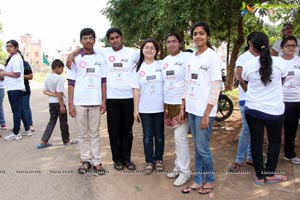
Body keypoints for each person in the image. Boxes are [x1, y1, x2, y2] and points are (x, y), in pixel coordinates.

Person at [66, 27, 138, 171]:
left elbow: (147, 56)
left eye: (117, 37)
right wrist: (71, 54)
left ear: (121, 38)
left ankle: (126, 159)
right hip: (110, 99)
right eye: (111, 38)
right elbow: (84, 50)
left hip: (127, 97)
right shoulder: (103, 52)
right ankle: (114, 160)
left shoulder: (132, 53)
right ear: (108, 41)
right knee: (112, 131)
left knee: (126, 131)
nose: (115, 40)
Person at [242, 32, 288, 185]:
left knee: (256, 142)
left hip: (253, 109)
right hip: (275, 111)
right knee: (274, 142)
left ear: (251, 46)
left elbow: (246, 80)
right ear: (268, 45)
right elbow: (283, 80)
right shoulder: (280, 63)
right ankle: (270, 174)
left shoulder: (249, 65)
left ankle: (260, 177)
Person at [181, 22, 221, 195]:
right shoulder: (191, 57)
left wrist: (206, 115)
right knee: (197, 147)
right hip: (192, 108)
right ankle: (198, 180)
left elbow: (215, 88)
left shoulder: (212, 57)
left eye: (201, 33)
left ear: (207, 36)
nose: (198, 36)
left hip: (205, 111)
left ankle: (210, 180)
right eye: (195, 34)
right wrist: (183, 105)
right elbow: (187, 83)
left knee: (203, 147)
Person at [67, 28, 107, 175]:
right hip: (79, 102)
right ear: (81, 41)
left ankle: (97, 161)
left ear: (95, 40)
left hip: (96, 102)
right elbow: (71, 83)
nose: (88, 41)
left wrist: (104, 100)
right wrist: (70, 104)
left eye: (91, 38)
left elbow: (103, 81)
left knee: (95, 133)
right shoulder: (75, 59)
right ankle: (86, 160)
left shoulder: (100, 57)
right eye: (85, 38)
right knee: (83, 134)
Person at [131, 38, 164, 175]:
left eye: (152, 48)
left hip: (160, 107)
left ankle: (159, 160)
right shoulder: (138, 68)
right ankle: (149, 161)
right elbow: (136, 90)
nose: (149, 50)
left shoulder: (161, 65)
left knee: (160, 136)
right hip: (145, 109)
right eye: (146, 47)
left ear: (156, 51)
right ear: (142, 50)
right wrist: (136, 110)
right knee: (147, 136)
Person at [162, 33, 191, 186]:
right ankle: (178, 165)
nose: (171, 44)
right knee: (176, 138)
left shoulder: (187, 58)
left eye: (174, 41)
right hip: (168, 103)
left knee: (180, 138)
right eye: (168, 42)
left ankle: (185, 172)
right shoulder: (165, 61)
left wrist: (183, 104)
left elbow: (189, 81)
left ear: (180, 43)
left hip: (182, 104)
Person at [229, 32, 259, 172]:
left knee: (255, 130)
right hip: (246, 99)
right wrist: (251, 93)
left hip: (260, 100)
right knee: (247, 129)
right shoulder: (243, 58)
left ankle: (251, 156)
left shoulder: (263, 57)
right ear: (250, 43)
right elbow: (240, 79)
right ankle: (239, 159)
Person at [37, 59, 78, 149]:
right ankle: (66, 140)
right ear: (57, 68)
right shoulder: (59, 78)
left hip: (51, 103)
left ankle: (44, 140)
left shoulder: (48, 77)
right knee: (63, 122)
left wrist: (52, 94)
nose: (62, 71)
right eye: (61, 69)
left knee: (52, 121)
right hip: (59, 102)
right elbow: (59, 93)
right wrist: (62, 105)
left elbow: (45, 91)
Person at [0, 40, 30, 141]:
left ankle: (16, 133)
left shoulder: (16, 58)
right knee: (20, 109)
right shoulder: (13, 58)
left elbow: (17, 74)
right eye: (7, 46)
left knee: (16, 111)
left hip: (15, 88)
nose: (8, 48)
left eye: (11, 46)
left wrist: (4, 73)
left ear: (16, 48)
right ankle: (27, 129)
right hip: (15, 87)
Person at [280, 35, 300, 165]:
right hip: (279, 101)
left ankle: (290, 154)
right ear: (282, 48)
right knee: (274, 130)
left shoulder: (298, 61)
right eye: (288, 45)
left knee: (291, 129)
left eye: (294, 45)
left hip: (296, 100)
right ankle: (272, 155)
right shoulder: (276, 61)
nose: (291, 48)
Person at [21, 60, 35, 135]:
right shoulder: (9, 62)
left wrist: (19, 76)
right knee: (17, 109)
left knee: (25, 107)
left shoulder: (25, 64)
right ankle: (18, 125)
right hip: (14, 90)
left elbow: (30, 76)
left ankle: (30, 124)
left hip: (25, 90)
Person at [0, 64, 7, 130]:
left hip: (0, 88)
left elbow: (2, 77)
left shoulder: (1, 66)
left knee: (0, 106)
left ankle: (3, 123)